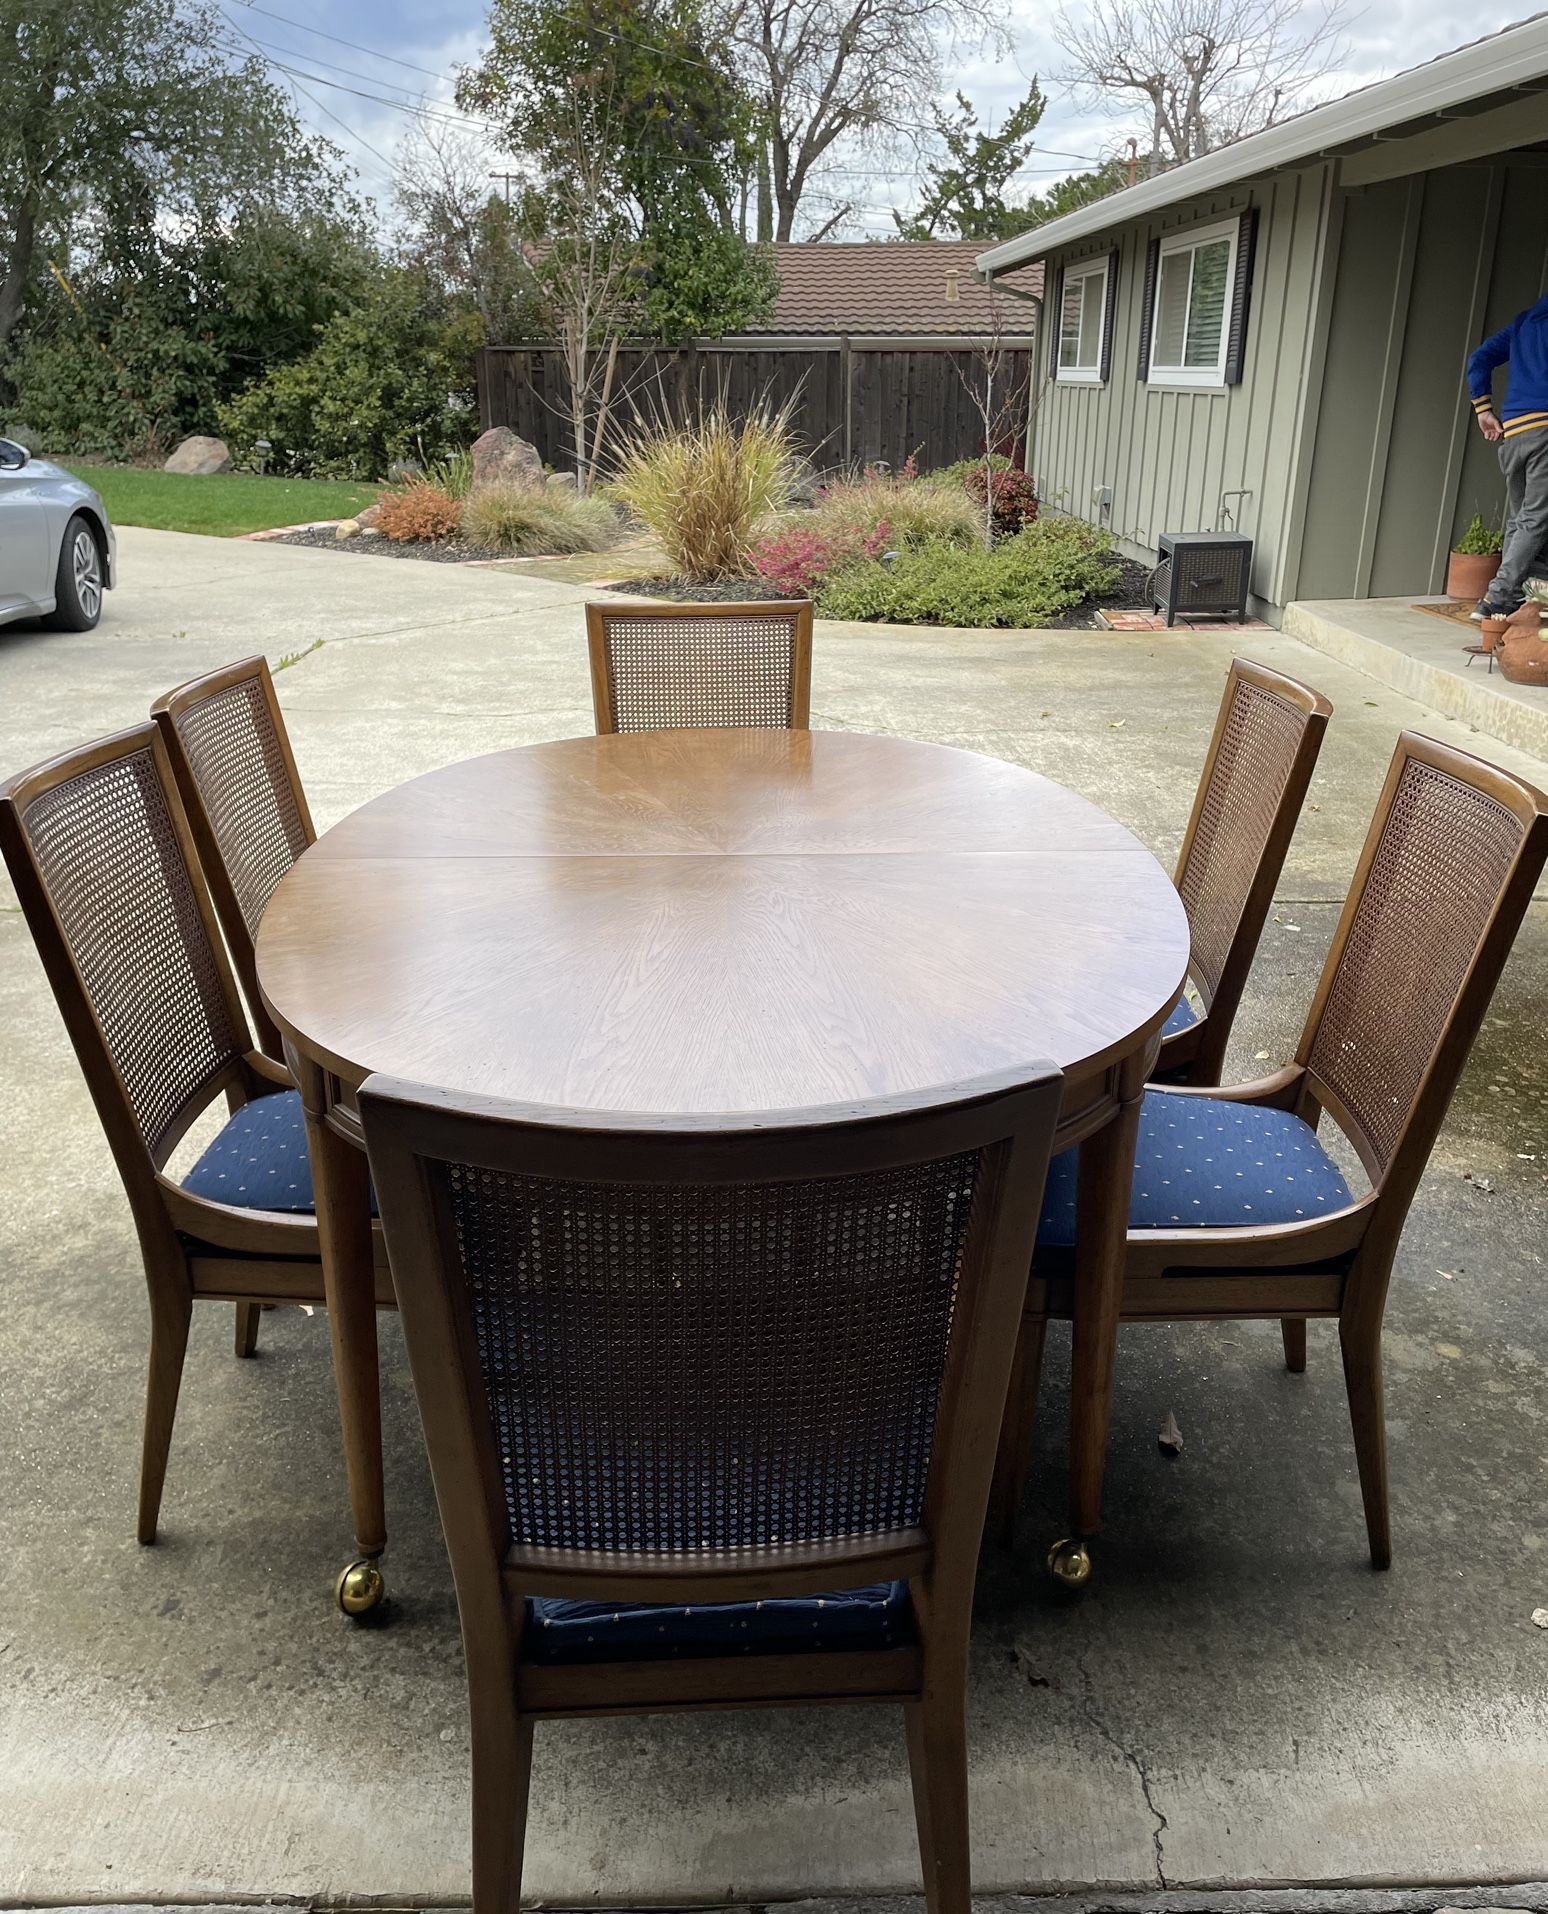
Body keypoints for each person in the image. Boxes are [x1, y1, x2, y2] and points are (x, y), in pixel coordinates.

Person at [1466, 289, 1548, 619]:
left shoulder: (1523, 322)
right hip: (1545, 428)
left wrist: (1483, 408)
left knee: (1522, 519)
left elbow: (1479, 358)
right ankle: (1496, 599)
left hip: (1515, 431)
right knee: (1535, 517)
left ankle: (1518, 599)